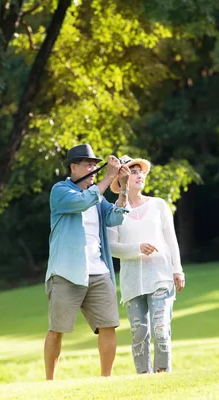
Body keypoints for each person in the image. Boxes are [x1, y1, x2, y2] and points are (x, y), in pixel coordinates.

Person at [43, 144, 130, 380]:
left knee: (108, 324)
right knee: (58, 329)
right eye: (88, 164)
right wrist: (109, 176)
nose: (93, 168)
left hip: (98, 271)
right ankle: (49, 382)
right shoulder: (60, 190)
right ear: (73, 167)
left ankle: (106, 379)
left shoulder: (97, 196)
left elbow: (115, 217)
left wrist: (123, 188)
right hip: (66, 272)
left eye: (94, 164)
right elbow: (82, 202)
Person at [107, 155, 185, 374]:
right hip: (132, 282)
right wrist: (137, 249)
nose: (139, 175)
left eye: (140, 171)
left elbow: (171, 240)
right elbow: (112, 247)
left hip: (161, 276)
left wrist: (177, 269)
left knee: (160, 329)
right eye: (132, 172)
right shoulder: (114, 213)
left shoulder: (159, 205)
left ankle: (162, 376)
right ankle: (143, 379)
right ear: (121, 179)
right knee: (139, 334)